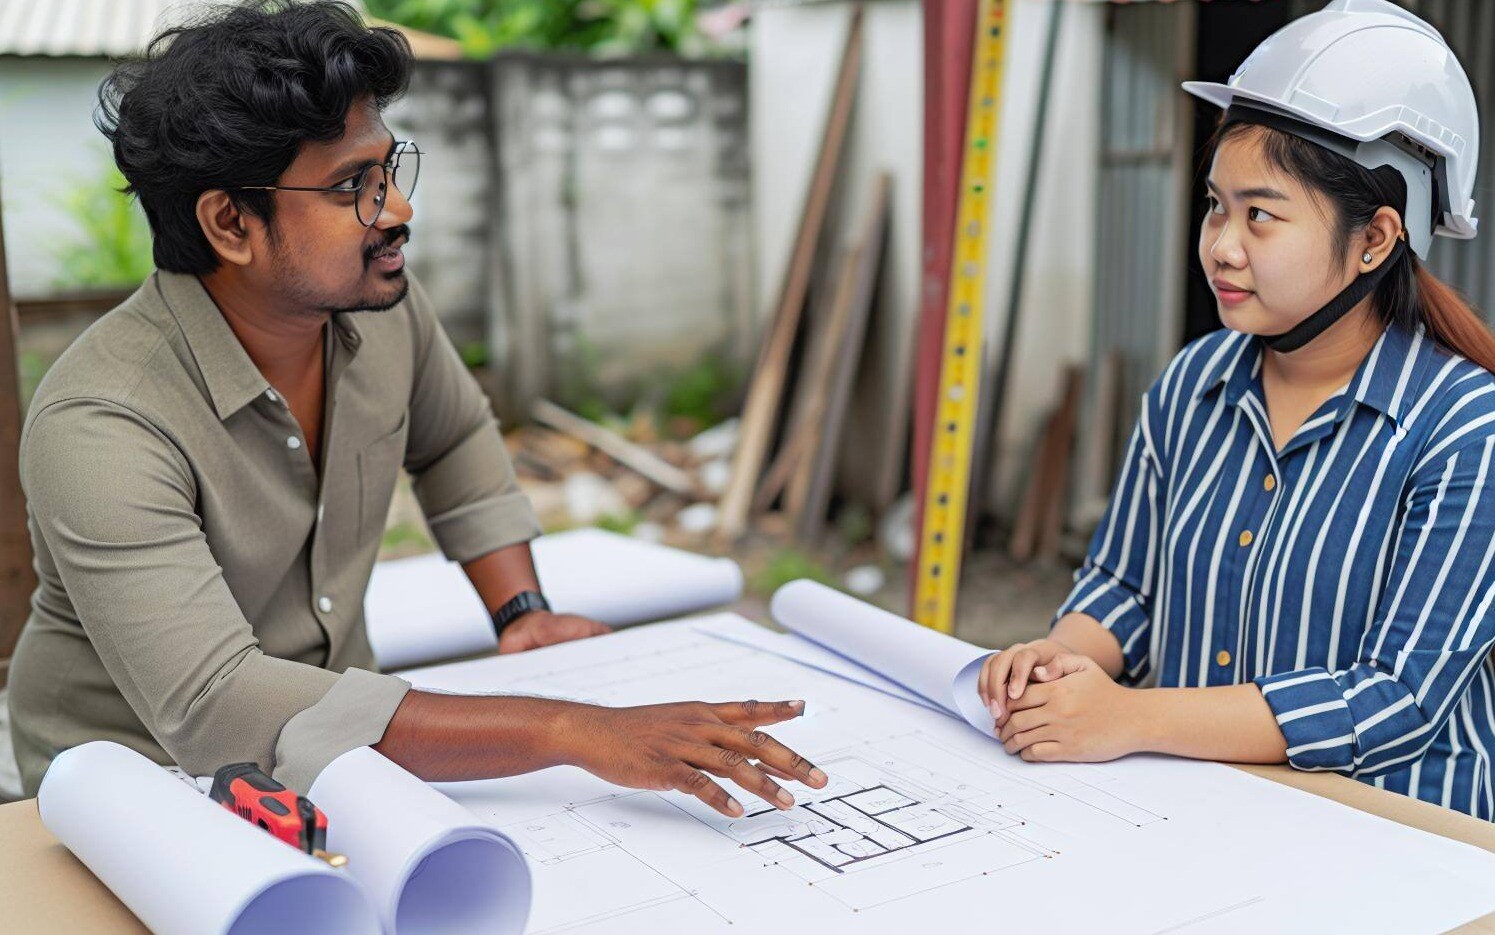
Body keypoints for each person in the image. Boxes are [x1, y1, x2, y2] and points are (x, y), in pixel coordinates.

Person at [8, 0, 827, 816]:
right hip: (134, 790)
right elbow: (218, 700)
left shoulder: (379, 310)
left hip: (339, 755)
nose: (397, 210)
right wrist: (575, 730)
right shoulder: (102, 423)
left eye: (390, 169)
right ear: (230, 223)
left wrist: (522, 612)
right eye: (352, 188)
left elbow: (454, 438)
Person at [979, 0, 1495, 819]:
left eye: (1260, 214)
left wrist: (1126, 716)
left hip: (1402, 837)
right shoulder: (1194, 383)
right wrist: (1055, 659)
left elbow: (1396, 698)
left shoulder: (1464, 427)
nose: (1220, 243)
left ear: (1374, 238)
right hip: (1209, 814)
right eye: (1216, 205)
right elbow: (1123, 585)